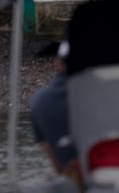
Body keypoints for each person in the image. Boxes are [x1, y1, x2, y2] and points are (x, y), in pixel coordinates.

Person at [30, 41, 80, 186]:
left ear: (59, 63)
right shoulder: (105, 92)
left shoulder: (41, 100)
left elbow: (54, 159)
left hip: (72, 177)